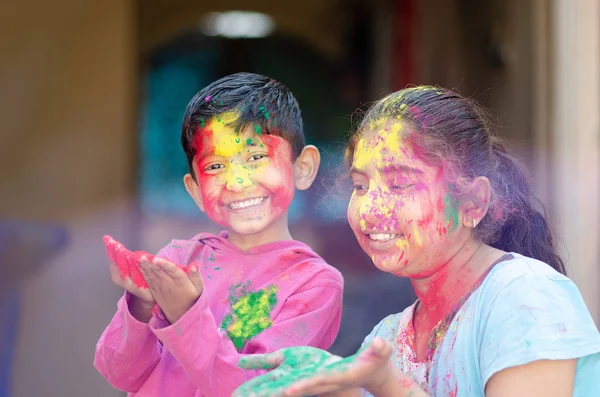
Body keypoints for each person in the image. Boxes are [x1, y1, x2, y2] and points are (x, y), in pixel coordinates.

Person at [233, 86, 600, 397]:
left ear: (473, 202)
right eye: (360, 186)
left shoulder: (525, 296)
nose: (371, 209)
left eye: (400, 183)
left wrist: (388, 384)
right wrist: (334, 386)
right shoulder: (389, 337)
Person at [94, 73, 344, 397]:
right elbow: (118, 372)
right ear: (195, 190)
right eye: (215, 167)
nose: (237, 181)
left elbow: (254, 390)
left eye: (256, 157)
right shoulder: (178, 262)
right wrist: (140, 306)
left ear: (303, 167)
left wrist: (185, 313)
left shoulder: (314, 284)